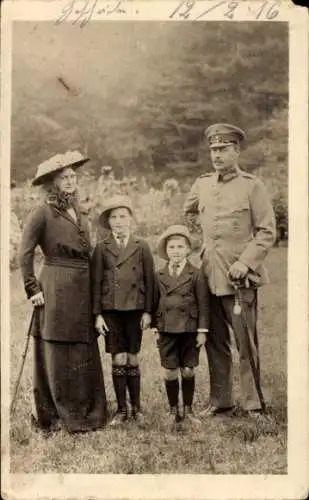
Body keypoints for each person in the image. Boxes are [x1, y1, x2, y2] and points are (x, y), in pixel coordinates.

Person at [184, 123, 276, 418]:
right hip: (209, 272)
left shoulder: (252, 186)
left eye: (223, 149)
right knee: (213, 340)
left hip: (239, 277)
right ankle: (221, 400)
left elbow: (266, 231)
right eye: (213, 149)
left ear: (237, 150)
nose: (217, 154)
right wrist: (201, 243)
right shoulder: (202, 185)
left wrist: (244, 261)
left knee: (245, 342)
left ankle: (253, 403)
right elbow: (188, 211)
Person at [19, 151, 107, 434]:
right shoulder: (41, 212)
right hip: (55, 285)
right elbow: (25, 253)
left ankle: (89, 413)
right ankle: (59, 415)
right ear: (52, 183)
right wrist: (32, 288)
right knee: (57, 349)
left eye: (73, 176)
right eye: (64, 177)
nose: (70, 181)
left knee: (83, 345)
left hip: (83, 284)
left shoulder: (79, 210)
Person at [91, 195, 156, 426]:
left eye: (123, 216)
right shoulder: (101, 248)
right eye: (114, 217)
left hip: (135, 309)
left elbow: (150, 281)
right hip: (111, 310)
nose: (119, 221)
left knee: (132, 356)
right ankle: (121, 409)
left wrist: (148, 311)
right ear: (108, 222)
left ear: (131, 219)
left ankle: (136, 407)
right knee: (117, 357)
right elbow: (96, 282)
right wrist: (97, 314)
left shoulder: (142, 246)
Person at [153, 225, 209, 427]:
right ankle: (172, 409)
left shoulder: (195, 274)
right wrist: (155, 327)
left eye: (179, 247)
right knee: (169, 370)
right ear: (166, 251)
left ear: (187, 249)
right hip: (166, 328)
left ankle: (188, 408)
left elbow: (203, 304)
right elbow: (154, 301)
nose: (175, 251)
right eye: (171, 248)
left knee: (188, 369)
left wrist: (202, 331)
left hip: (189, 329)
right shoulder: (158, 275)